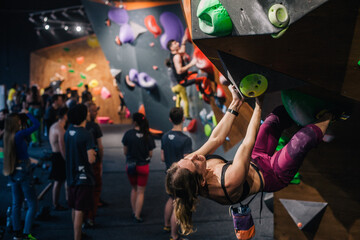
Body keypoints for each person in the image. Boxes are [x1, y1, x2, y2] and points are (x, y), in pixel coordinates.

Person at [165, 85, 332, 235]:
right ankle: (333, 112)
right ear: (201, 181)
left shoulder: (193, 163)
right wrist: (258, 104)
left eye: (187, 158)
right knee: (302, 141)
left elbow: (215, 138)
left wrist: (235, 104)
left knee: (275, 118)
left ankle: (311, 118)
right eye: (193, 162)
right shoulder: (227, 183)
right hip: (272, 175)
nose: (194, 155)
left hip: (256, 158)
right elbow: (247, 143)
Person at [3, 109, 40, 240]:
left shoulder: (7, 136)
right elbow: (36, 125)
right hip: (23, 170)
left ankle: (17, 233)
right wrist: (28, 113)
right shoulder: (18, 135)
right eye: (18, 120)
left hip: (12, 170)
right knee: (32, 203)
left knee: (16, 203)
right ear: (16, 123)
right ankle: (26, 233)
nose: (20, 121)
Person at [65, 104, 96, 240]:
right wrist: (94, 154)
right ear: (84, 116)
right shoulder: (86, 134)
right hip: (83, 177)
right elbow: (91, 159)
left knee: (74, 207)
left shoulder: (68, 131)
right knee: (79, 209)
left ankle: (76, 234)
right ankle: (77, 237)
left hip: (71, 175)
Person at [161, 107, 192, 240]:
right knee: (178, 204)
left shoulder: (165, 136)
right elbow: (187, 159)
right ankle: (174, 235)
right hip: (179, 176)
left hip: (168, 174)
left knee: (171, 199)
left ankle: (166, 225)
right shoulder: (186, 139)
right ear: (183, 119)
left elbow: (162, 158)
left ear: (170, 119)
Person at [122, 112, 155, 223]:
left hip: (131, 165)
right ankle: (137, 214)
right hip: (143, 166)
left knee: (134, 189)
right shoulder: (147, 135)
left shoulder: (128, 134)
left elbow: (125, 151)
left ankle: (134, 211)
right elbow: (150, 154)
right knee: (141, 191)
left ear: (134, 122)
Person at [84, 102, 104, 228]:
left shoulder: (75, 128)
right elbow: (100, 146)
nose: (95, 112)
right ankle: (90, 217)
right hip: (92, 162)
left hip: (82, 162)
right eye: (92, 111)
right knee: (94, 189)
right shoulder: (94, 126)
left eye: (96, 110)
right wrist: (100, 161)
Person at [49, 107, 68, 210]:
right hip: (59, 157)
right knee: (59, 181)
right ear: (65, 115)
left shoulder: (53, 126)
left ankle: (59, 202)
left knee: (59, 181)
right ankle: (57, 204)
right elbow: (62, 146)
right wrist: (66, 159)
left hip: (54, 155)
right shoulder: (60, 129)